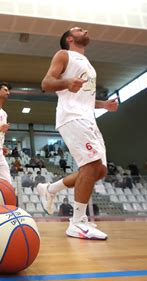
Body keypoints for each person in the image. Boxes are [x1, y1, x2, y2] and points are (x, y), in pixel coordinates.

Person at [37, 26, 119, 240]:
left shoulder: (88, 64)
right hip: (72, 116)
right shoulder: (63, 54)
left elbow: (86, 98)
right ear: (70, 38)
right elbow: (46, 83)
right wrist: (65, 82)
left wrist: (104, 105)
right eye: (79, 29)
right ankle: (77, 223)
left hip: (87, 117)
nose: (85, 29)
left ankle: (50, 189)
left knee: (99, 171)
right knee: (90, 166)